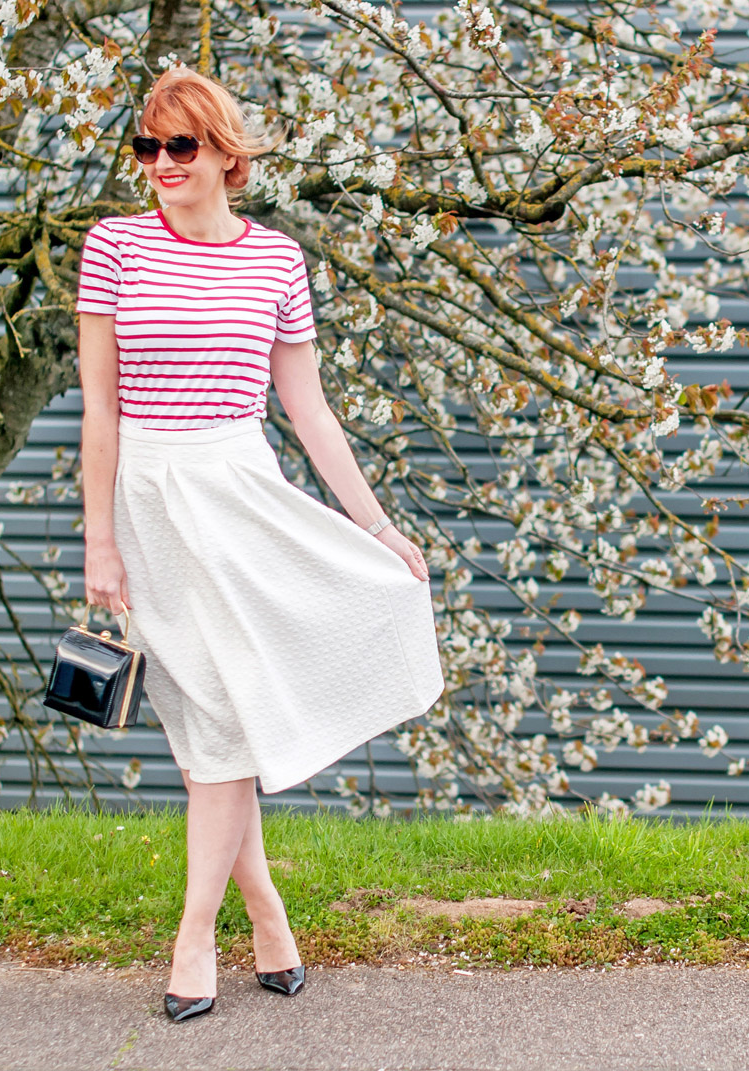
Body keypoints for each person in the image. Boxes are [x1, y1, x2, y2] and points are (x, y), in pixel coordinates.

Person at [75, 67, 444, 1023]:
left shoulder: (276, 262)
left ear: (225, 156)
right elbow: (100, 413)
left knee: (224, 729)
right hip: (151, 505)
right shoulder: (112, 248)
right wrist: (98, 538)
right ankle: (267, 914)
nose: (160, 164)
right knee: (207, 728)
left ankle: (196, 936)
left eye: (180, 146)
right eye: (147, 147)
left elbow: (308, 411)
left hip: (240, 497)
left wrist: (376, 527)